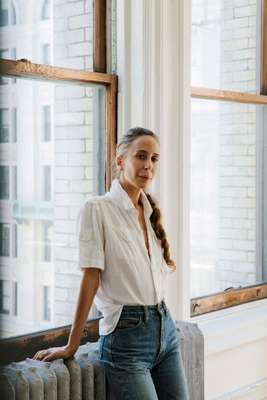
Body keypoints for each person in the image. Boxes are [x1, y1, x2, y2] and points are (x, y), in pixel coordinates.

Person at [33, 127, 189, 399]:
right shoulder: (97, 209)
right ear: (120, 161)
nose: (148, 166)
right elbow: (90, 277)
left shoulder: (150, 209)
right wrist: (72, 344)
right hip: (125, 341)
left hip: (166, 329)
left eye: (154, 159)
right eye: (141, 156)